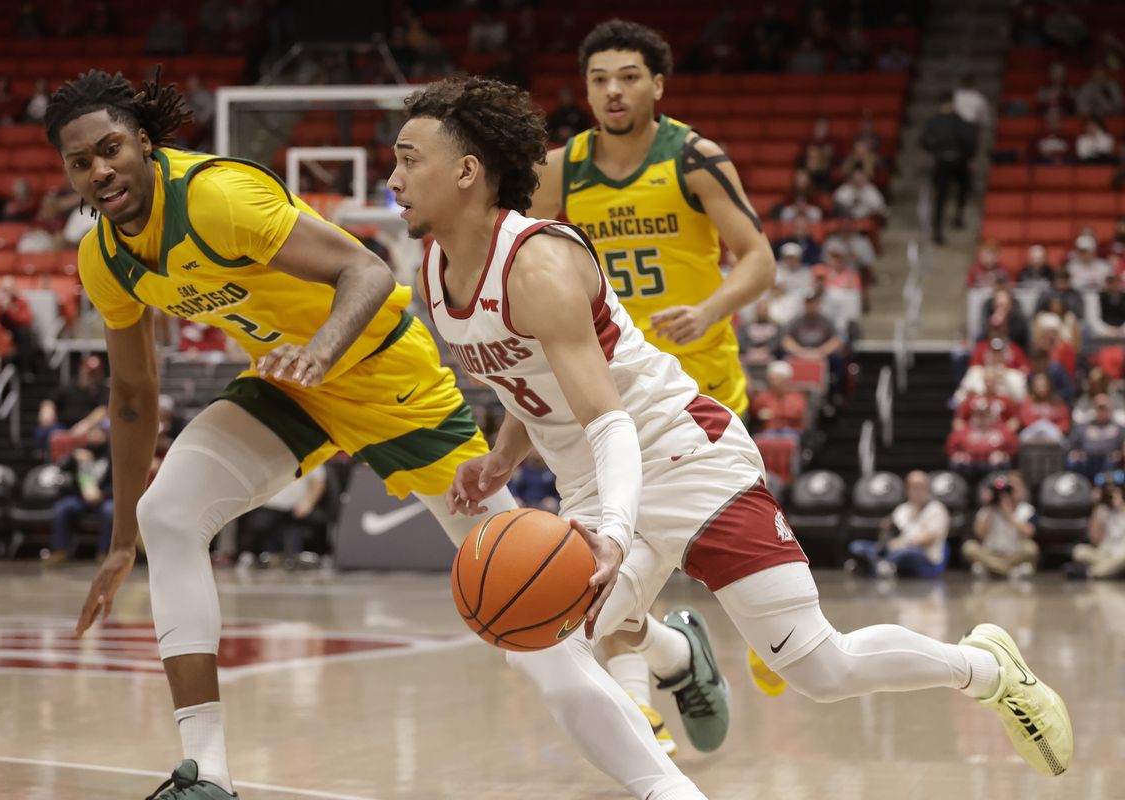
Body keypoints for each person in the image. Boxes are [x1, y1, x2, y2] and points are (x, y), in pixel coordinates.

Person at [395, 74, 1072, 800]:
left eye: (409, 159)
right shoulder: (435, 273)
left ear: (467, 172)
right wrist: (501, 461)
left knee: (819, 669)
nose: (394, 177)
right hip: (598, 483)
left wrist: (616, 533)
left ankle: (988, 669)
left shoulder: (538, 263)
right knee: (541, 649)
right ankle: (671, 790)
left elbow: (610, 419)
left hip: (683, 457)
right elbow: (529, 386)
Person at [44, 70, 507, 799]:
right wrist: (122, 541)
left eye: (110, 150)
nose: (99, 171)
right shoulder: (104, 258)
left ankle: (663, 654)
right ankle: (207, 774)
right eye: (80, 162)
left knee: (520, 595)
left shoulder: (217, 197)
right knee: (165, 513)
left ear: (142, 142)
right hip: (292, 388)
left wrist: (323, 348)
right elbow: (133, 394)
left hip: (386, 377)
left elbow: (369, 269)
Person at [530, 20, 786, 712]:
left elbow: (759, 258)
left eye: (628, 77)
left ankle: (764, 638)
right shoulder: (560, 169)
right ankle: (644, 709)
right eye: (599, 79)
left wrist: (710, 308)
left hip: (699, 380)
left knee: (701, 545)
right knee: (615, 545)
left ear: (658, 85)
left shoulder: (694, 157)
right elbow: (516, 251)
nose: (613, 91)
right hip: (608, 381)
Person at [847, 471, 950, 579]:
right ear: (907, 489)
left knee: (905, 553)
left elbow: (930, 538)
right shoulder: (902, 509)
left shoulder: (936, 509)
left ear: (927, 489)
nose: (917, 492)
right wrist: (885, 533)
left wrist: (902, 543)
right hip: (894, 549)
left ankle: (872, 565)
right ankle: (881, 565)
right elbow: (887, 534)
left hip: (924, 555)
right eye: (913, 487)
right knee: (857, 545)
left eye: (920, 487)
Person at [43, 423, 113, 565]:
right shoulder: (79, 453)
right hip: (80, 499)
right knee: (63, 508)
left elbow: (118, 484)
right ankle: (60, 551)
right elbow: (61, 467)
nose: (94, 436)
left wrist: (103, 495)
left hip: (103, 499)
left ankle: (105, 553)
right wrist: (72, 456)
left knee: (110, 511)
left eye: (98, 433)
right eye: (91, 433)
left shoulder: (112, 456)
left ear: (105, 436)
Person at [235, 465, 326, 569]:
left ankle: (321, 555)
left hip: (299, 506)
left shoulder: (309, 453)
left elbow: (319, 482)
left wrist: (308, 502)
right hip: (270, 505)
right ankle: (250, 554)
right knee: (256, 524)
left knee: (320, 521)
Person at [920, 93, 976, 243]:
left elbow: (925, 141)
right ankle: (941, 227)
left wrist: (936, 150)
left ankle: (955, 218)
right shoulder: (950, 120)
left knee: (957, 191)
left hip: (953, 161)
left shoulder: (939, 121)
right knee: (944, 196)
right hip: (951, 161)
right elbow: (969, 140)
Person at [963, 473, 1040, 579]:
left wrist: (1008, 514)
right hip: (990, 552)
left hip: (1014, 554)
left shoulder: (1027, 510)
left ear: (1023, 490)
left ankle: (993, 569)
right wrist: (989, 507)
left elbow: (1029, 533)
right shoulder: (988, 509)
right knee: (968, 547)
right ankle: (1008, 571)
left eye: (1016, 485)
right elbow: (979, 534)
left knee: (1031, 548)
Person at [35, 354, 109, 447]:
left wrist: (85, 425)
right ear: (81, 371)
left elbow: (102, 410)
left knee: (99, 436)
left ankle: (78, 455)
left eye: (95, 374)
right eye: (89, 373)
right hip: (64, 428)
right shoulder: (69, 387)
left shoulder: (104, 391)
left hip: (89, 430)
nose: (92, 378)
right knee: (45, 432)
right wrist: (47, 410)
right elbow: (50, 400)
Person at [1067, 469, 1125, 579]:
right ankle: (1110, 571)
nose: (1111, 494)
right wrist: (1096, 505)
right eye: (1108, 491)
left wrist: (1121, 507)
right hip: (1105, 554)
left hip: (1122, 555)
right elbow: (1095, 539)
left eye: (1115, 490)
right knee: (1079, 551)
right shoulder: (1102, 509)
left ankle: (1090, 572)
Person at [1066, 393, 1124, 478]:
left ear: (1110, 409)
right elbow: (1071, 447)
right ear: (1094, 409)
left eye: (1105, 408)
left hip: (1110, 463)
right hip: (1086, 462)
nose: (1102, 412)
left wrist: (1120, 455)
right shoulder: (1083, 427)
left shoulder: (1119, 428)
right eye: (1099, 408)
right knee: (1071, 462)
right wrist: (1076, 454)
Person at [749, 360, 807, 438]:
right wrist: (758, 415)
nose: (772, 382)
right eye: (771, 379)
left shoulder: (797, 397)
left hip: (791, 431)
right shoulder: (763, 396)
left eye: (776, 379)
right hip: (767, 431)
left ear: (786, 380)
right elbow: (753, 412)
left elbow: (795, 415)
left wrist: (773, 414)